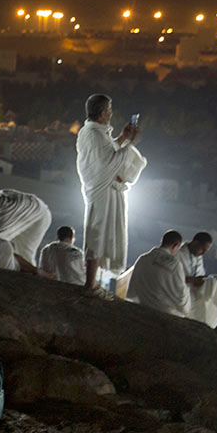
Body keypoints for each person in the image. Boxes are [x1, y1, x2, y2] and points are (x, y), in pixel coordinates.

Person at [75, 93, 145, 291]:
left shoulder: (96, 132)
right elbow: (107, 163)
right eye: (109, 110)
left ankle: (95, 282)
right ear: (102, 112)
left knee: (103, 234)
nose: (111, 114)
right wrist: (131, 143)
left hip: (106, 189)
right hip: (100, 190)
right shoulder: (93, 134)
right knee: (96, 234)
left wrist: (123, 138)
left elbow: (108, 153)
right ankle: (89, 283)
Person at [122, 230, 202, 320]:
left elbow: (132, 290)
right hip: (166, 314)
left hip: (144, 309)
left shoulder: (143, 258)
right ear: (175, 245)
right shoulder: (174, 263)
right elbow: (181, 295)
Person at [0, 189, 52, 265]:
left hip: (40, 216)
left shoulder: (6, 213)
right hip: (28, 210)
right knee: (12, 244)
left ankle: (31, 270)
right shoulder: (1, 194)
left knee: (24, 250)